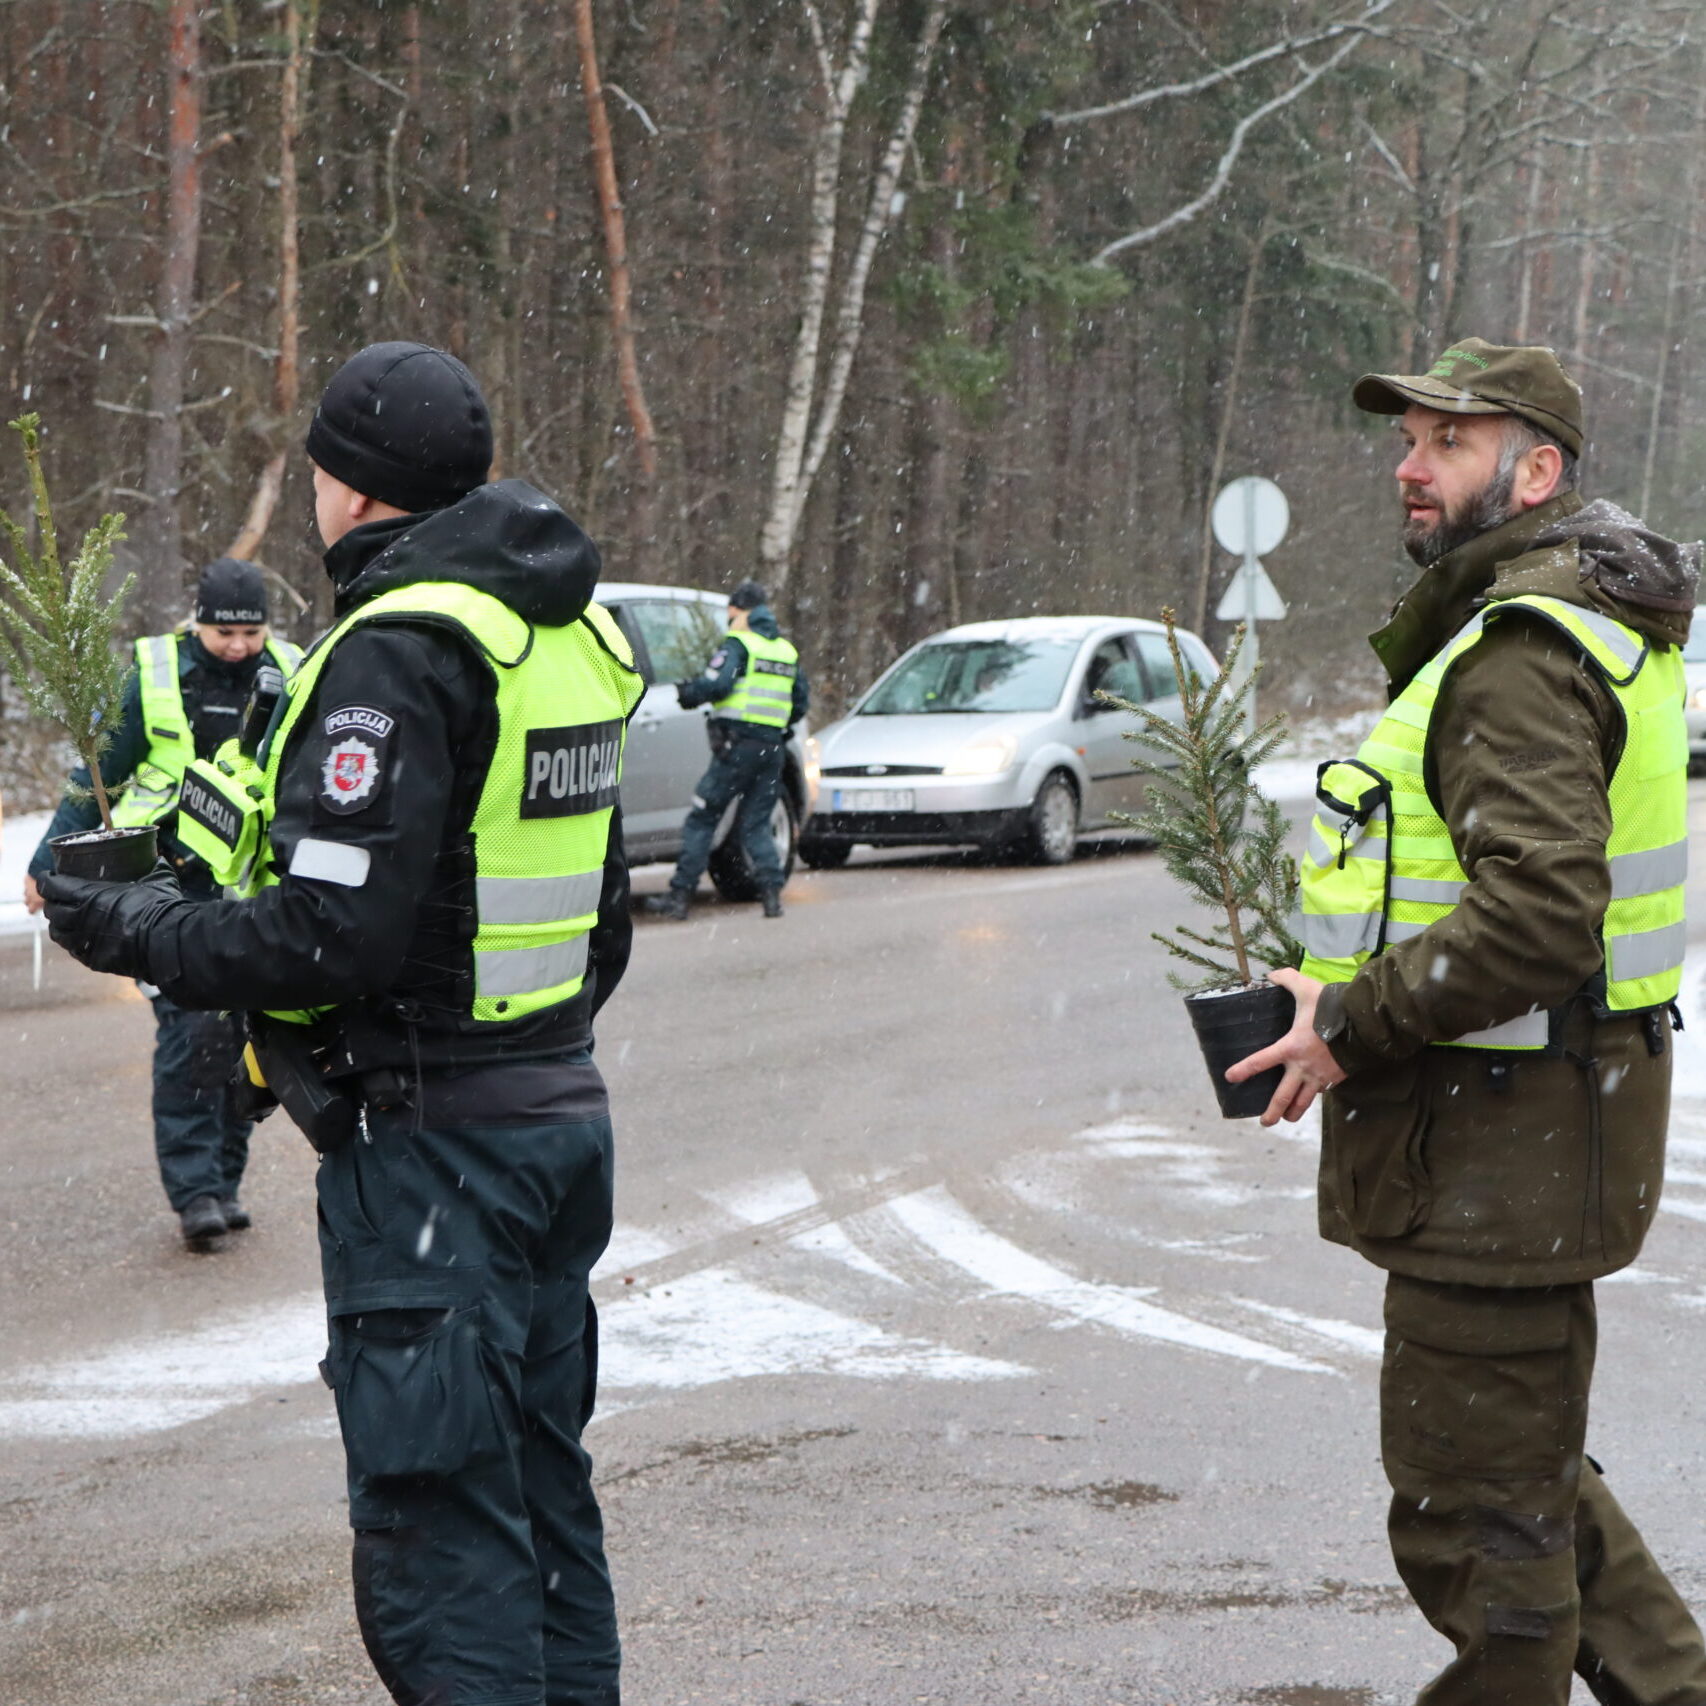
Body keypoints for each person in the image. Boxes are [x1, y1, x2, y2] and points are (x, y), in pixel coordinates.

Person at [39, 340, 640, 1706]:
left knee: (443, 1543)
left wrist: (124, 929)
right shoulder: (565, 630)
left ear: (347, 488)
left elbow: (327, 933)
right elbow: (593, 922)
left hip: (437, 1167)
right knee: (545, 1510)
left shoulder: (401, 650)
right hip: (553, 1124)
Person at [1230, 338, 1706, 1702]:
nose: (1409, 466)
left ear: (1535, 468)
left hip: (1499, 1159)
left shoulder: (1517, 649)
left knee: (1478, 1529)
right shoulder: (1576, 618)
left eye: (1447, 440)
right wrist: (1345, 982)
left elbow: (1538, 915)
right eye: (1409, 440)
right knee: (1532, 1488)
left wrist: (1349, 1024)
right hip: (1539, 1143)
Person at [24, 557, 301, 1246]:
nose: (238, 647)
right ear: (197, 624)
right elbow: (98, 777)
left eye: (250, 633)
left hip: (254, 889)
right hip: (165, 886)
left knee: (243, 1038)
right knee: (190, 1038)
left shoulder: (293, 670)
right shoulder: (153, 676)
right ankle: (195, 1192)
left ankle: (226, 1182)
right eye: (223, 634)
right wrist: (43, 862)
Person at [645, 578, 807, 920]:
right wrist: (775, 725)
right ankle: (771, 895)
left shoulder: (739, 645)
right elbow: (800, 702)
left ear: (742, 612)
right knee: (755, 823)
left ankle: (679, 896)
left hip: (737, 747)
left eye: (732, 613)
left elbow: (719, 684)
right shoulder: (785, 651)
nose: (730, 620)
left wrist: (689, 692)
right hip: (771, 748)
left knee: (703, 816)